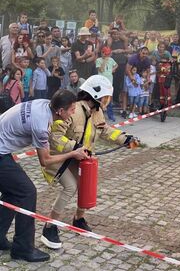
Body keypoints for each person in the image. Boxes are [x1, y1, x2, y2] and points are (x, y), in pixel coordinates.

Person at [40, 76, 136, 249]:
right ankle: (49, 227)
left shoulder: (97, 112)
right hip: (59, 157)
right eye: (105, 97)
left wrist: (124, 139)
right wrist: (74, 148)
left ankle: (78, 219)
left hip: (80, 156)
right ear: (95, 95)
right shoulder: (74, 111)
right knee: (70, 187)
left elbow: (105, 130)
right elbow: (54, 137)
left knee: (86, 184)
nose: (107, 101)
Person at [0, 90, 88, 262]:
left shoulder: (45, 104)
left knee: (14, 192)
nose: (73, 113)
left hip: (2, 149)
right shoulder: (41, 125)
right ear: (60, 111)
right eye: (71, 109)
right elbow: (45, 160)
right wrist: (72, 154)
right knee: (27, 192)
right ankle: (23, 249)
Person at [96, 46, 118, 121]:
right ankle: (99, 115)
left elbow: (116, 65)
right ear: (102, 53)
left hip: (109, 82)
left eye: (108, 54)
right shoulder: (98, 60)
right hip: (101, 82)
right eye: (105, 54)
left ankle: (110, 115)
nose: (107, 56)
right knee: (100, 99)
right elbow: (101, 70)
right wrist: (105, 60)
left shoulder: (111, 59)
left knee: (109, 100)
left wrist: (113, 69)